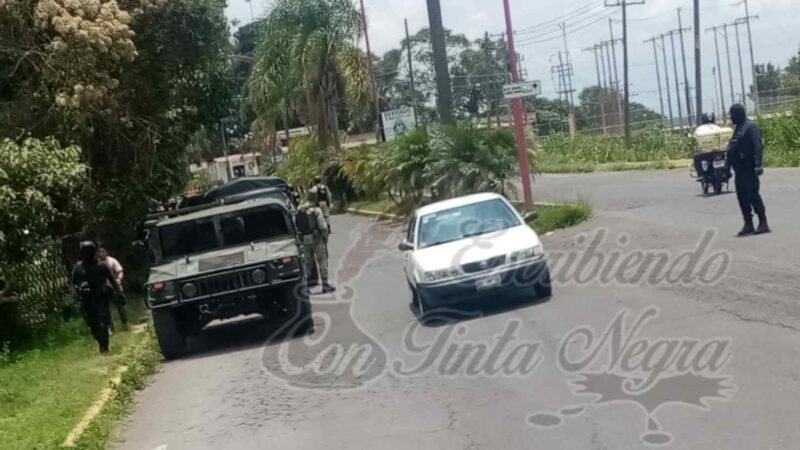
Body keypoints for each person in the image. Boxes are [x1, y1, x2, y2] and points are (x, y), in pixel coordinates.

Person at [72, 241, 125, 353]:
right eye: (85, 252)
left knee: (102, 323)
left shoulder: (101, 266)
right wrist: (77, 294)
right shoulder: (78, 268)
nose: (87, 254)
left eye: (89, 251)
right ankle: (100, 342)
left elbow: (112, 281)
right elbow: (73, 284)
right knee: (93, 325)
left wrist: (119, 294)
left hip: (101, 297)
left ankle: (104, 348)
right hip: (86, 300)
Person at [727, 104, 770, 236]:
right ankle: (748, 224)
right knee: (742, 197)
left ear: (739, 114)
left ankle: (763, 223)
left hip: (749, 168)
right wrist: (727, 167)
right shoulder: (738, 129)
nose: (730, 117)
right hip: (739, 170)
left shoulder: (751, 127)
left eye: (732, 114)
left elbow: (757, 146)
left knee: (753, 195)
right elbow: (731, 149)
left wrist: (758, 164)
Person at [296, 192, 336, 294]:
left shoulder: (299, 210)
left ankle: (305, 287)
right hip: (317, 239)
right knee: (322, 260)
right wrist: (325, 238)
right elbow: (323, 226)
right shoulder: (317, 210)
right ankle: (325, 285)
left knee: (307, 264)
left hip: (305, 240)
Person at [98, 245, 127, 330]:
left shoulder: (112, 261)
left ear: (106, 252)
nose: (101, 253)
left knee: (120, 305)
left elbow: (120, 271)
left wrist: (118, 280)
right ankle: (110, 326)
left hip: (114, 286)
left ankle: (125, 323)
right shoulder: (97, 264)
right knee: (106, 309)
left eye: (102, 251)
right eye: (99, 252)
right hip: (104, 289)